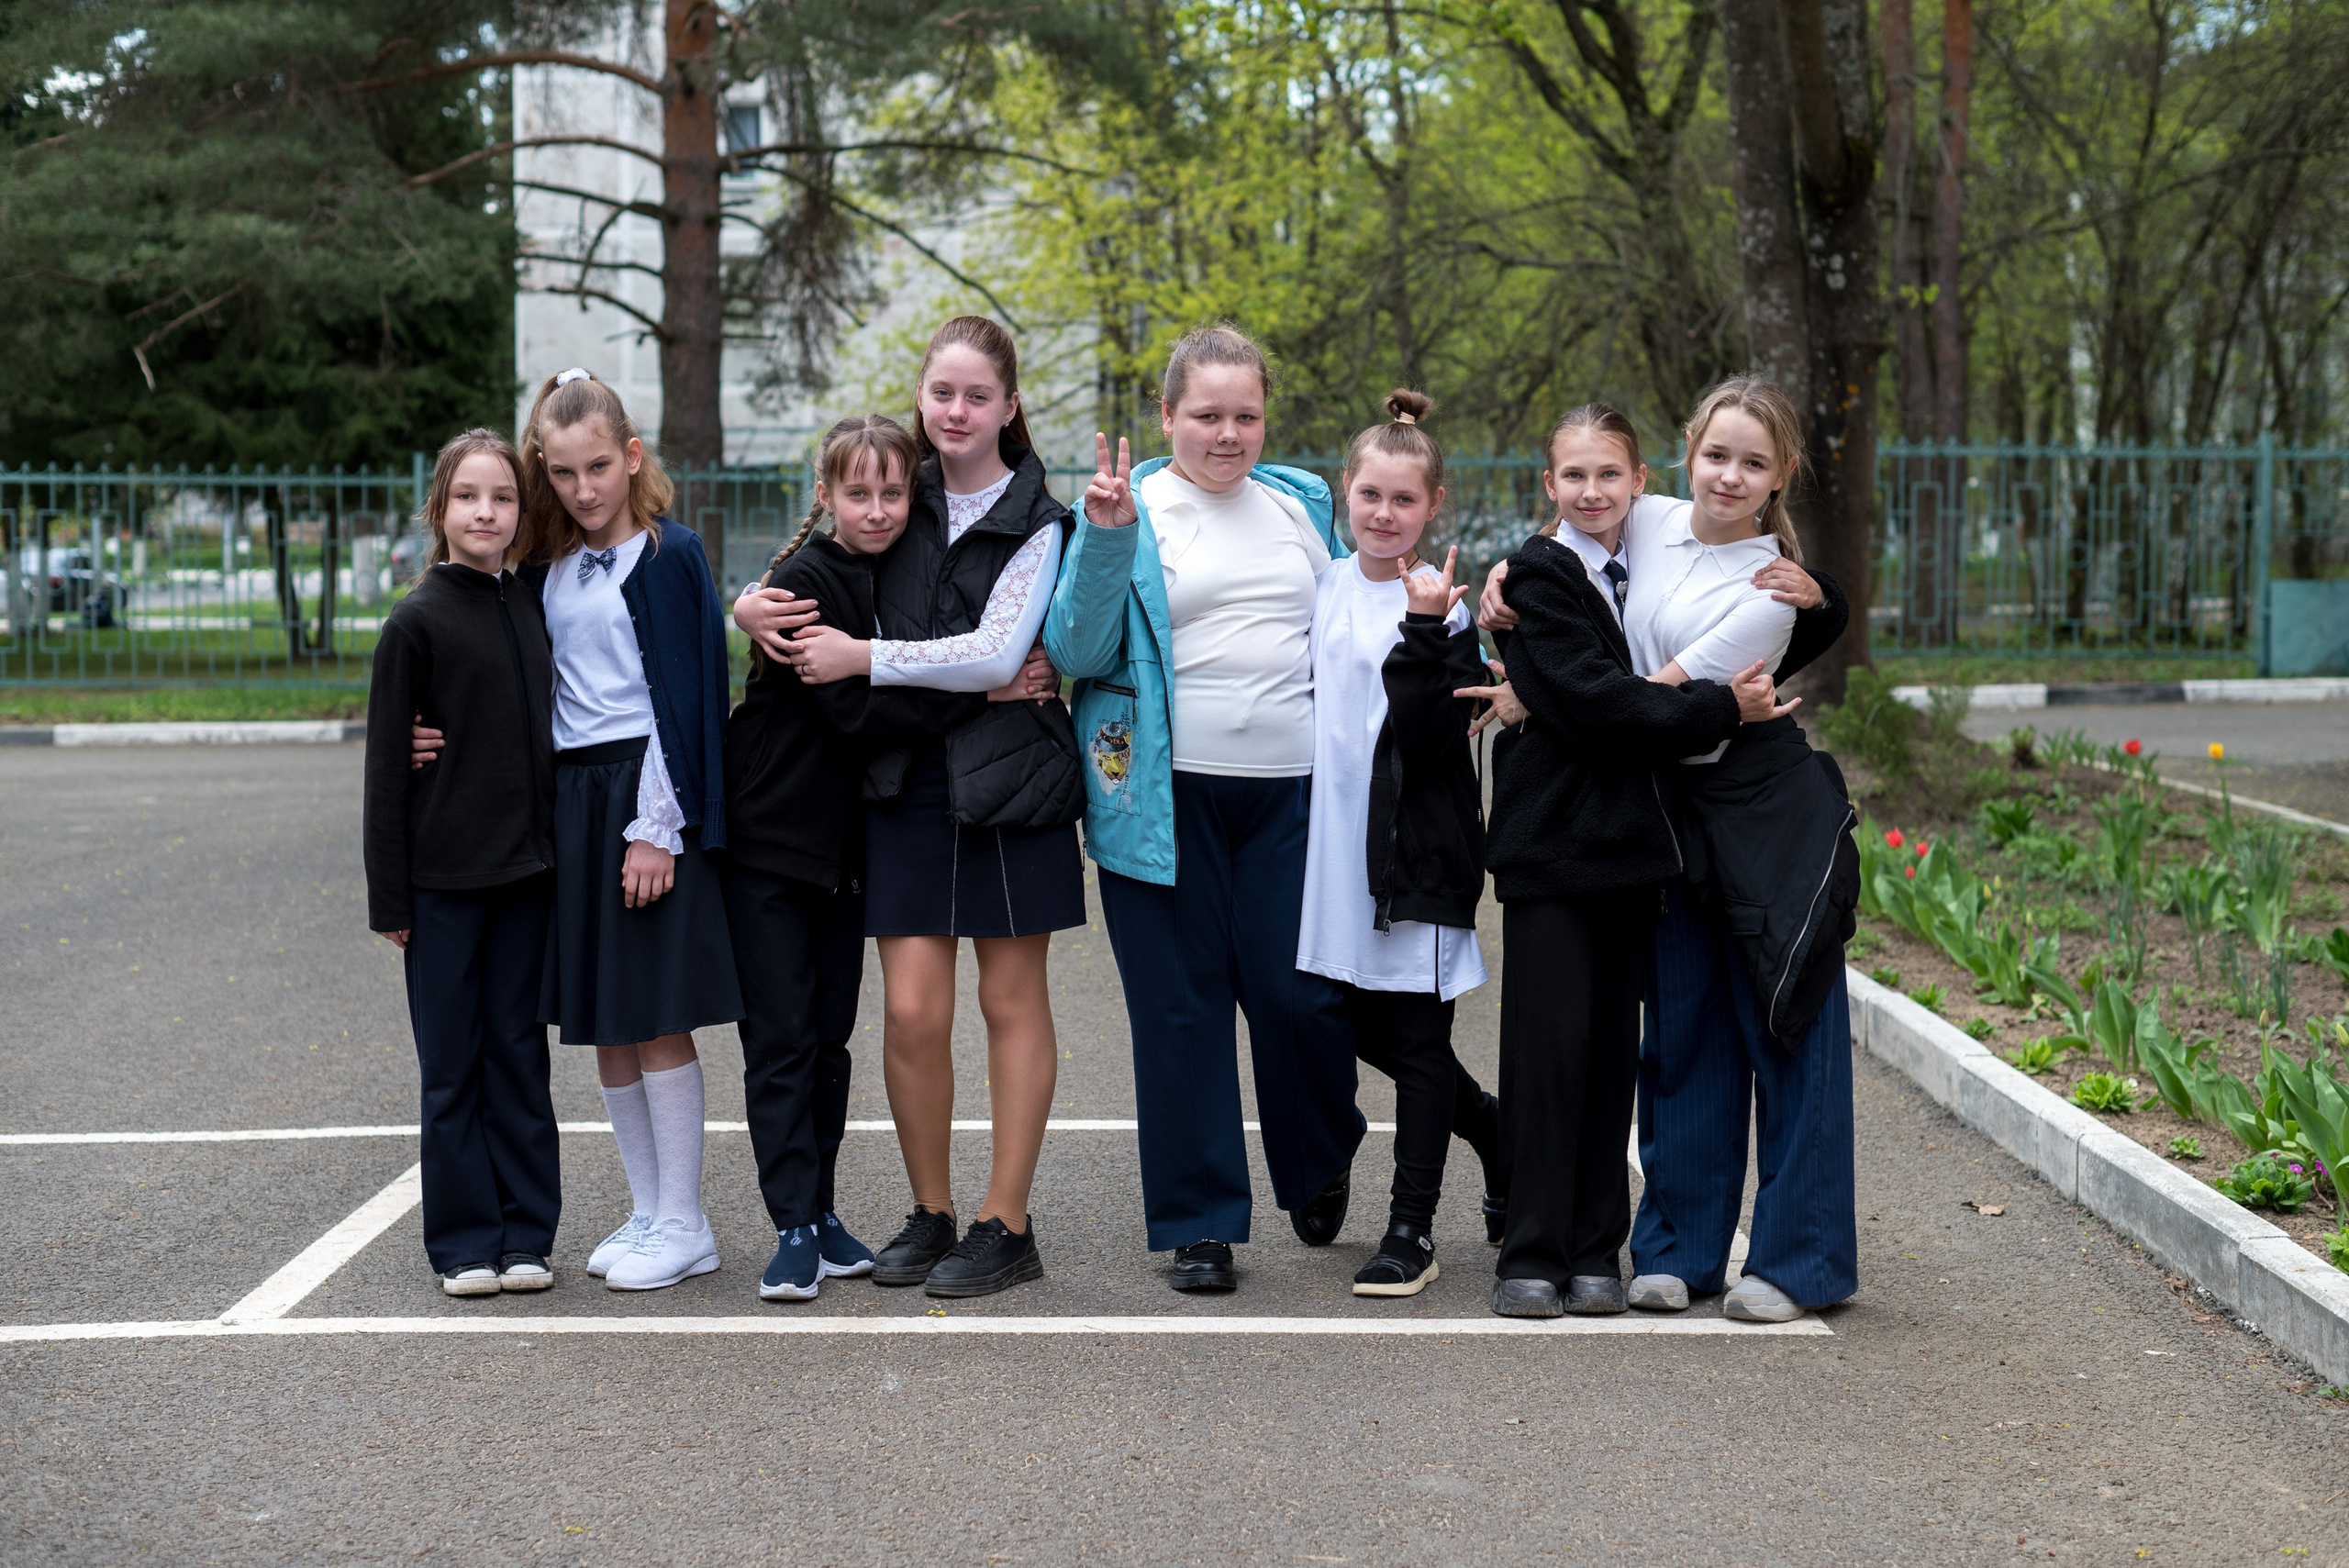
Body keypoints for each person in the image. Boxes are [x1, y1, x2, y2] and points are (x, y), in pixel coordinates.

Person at [756, 318, 1084, 1299]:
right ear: (921, 395)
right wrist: (748, 604)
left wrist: (864, 657)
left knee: (1009, 1000)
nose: (957, 411)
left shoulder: (1040, 518)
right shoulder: (896, 490)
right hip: (903, 777)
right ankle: (931, 1210)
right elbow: (813, 563)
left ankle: (1005, 1221)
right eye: (942, 392)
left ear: (1010, 405)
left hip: (1011, 776)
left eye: (978, 396)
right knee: (910, 1008)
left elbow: (997, 653)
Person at [1042, 322, 1364, 1294]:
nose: (1227, 434)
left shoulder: (1304, 503)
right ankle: (1200, 1224)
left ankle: (1319, 1155)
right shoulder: (1123, 507)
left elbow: (1361, 615)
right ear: (1166, 415)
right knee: (1181, 1011)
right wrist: (1106, 541)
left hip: (1294, 798)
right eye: (1207, 415)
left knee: (1302, 998)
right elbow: (1076, 651)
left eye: (1245, 416)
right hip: (1159, 798)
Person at [1616, 376, 1862, 1324]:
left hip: (1765, 812)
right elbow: (1570, 547)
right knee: (1683, 1031)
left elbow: (1661, 704)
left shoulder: (1773, 589)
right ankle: (1678, 1249)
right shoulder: (1644, 520)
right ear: (1688, 449)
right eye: (1717, 454)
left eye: (1753, 462)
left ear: (1781, 474)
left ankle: (1802, 1262)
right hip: (1672, 815)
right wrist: (1513, 588)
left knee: (1787, 1026)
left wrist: (1552, 695)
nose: (1729, 475)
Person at [522, 368, 742, 1293]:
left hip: (646, 794)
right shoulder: (545, 567)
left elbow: (680, 697)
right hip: (574, 799)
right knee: (607, 1020)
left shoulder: (670, 553)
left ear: (633, 457)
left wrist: (656, 827)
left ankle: (686, 1218)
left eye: (599, 467)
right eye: (563, 472)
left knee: (655, 1014)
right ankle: (649, 1208)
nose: (583, 488)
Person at [1295, 391, 1502, 1299]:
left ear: (1433, 505)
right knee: (1328, 1021)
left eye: (1404, 499)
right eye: (1370, 494)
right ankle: (1491, 1128)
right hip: (1326, 858)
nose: (1384, 513)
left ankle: (1410, 1229)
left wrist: (1423, 626)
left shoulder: (1446, 614)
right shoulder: (1321, 586)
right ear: (1345, 489)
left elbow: (1433, 741)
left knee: (1416, 1044)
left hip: (1413, 860)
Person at [362, 428, 561, 1298]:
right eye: (469, 496)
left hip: (525, 879)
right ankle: (464, 1244)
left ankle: (527, 1236)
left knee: (518, 1056)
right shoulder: (414, 622)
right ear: (439, 508)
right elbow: (384, 770)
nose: (487, 512)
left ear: (520, 511)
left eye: (504, 497)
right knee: (451, 1066)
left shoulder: (531, 603)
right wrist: (390, 898)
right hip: (441, 886)